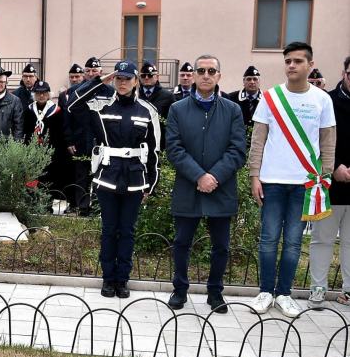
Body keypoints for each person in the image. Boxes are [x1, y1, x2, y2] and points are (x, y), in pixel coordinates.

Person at [249, 42, 336, 317]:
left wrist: (326, 175)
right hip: (272, 181)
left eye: (298, 61)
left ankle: (284, 294)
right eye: (288, 60)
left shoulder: (322, 99)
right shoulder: (271, 97)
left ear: (310, 65)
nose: (291, 65)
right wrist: (254, 175)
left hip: (305, 183)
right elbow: (258, 140)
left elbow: (328, 141)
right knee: (268, 239)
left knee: (294, 242)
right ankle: (265, 292)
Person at [67, 60, 160, 298]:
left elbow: (154, 151)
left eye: (127, 78)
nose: (122, 83)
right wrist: (99, 82)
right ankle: (108, 278)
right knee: (109, 230)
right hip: (107, 177)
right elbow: (73, 105)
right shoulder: (100, 105)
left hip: (135, 180)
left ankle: (122, 279)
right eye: (118, 78)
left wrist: (151, 184)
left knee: (127, 231)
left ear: (136, 81)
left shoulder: (147, 111)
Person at [165, 55, 248, 312]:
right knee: (181, 243)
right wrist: (199, 175)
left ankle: (215, 293)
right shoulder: (177, 109)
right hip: (188, 187)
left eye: (211, 70)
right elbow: (174, 148)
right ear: (194, 74)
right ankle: (179, 290)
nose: (206, 75)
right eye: (201, 70)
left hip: (220, 188)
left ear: (219, 76)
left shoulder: (232, 110)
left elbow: (237, 150)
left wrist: (214, 177)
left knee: (221, 246)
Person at [308, 56, 350, 307]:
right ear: (344, 73)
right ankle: (318, 289)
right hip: (328, 184)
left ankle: (348, 290)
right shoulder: (328, 102)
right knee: (322, 239)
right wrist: (333, 168)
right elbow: (316, 140)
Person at [65, 57, 114, 216]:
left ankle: (99, 207)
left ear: (101, 72)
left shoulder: (110, 92)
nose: (91, 73)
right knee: (82, 174)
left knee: (101, 173)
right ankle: (83, 207)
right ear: (84, 73)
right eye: (88, 71)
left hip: (101, 139)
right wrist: (69, 140)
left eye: (95, 71)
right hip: (81, 138)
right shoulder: (76, 91)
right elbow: (68, 118)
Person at [23, 80, 71, 197]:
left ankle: (49, 201)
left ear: (49, 94)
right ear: (34, 94)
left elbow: (61, 133)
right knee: (32, 175)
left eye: (44, 93)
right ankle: (32, 200)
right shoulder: (28, 111)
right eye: (38, 93)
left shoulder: (57, 111)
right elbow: (25, 130)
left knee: (50, 177)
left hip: (51, 152)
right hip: (32, 151)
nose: (41, 95)